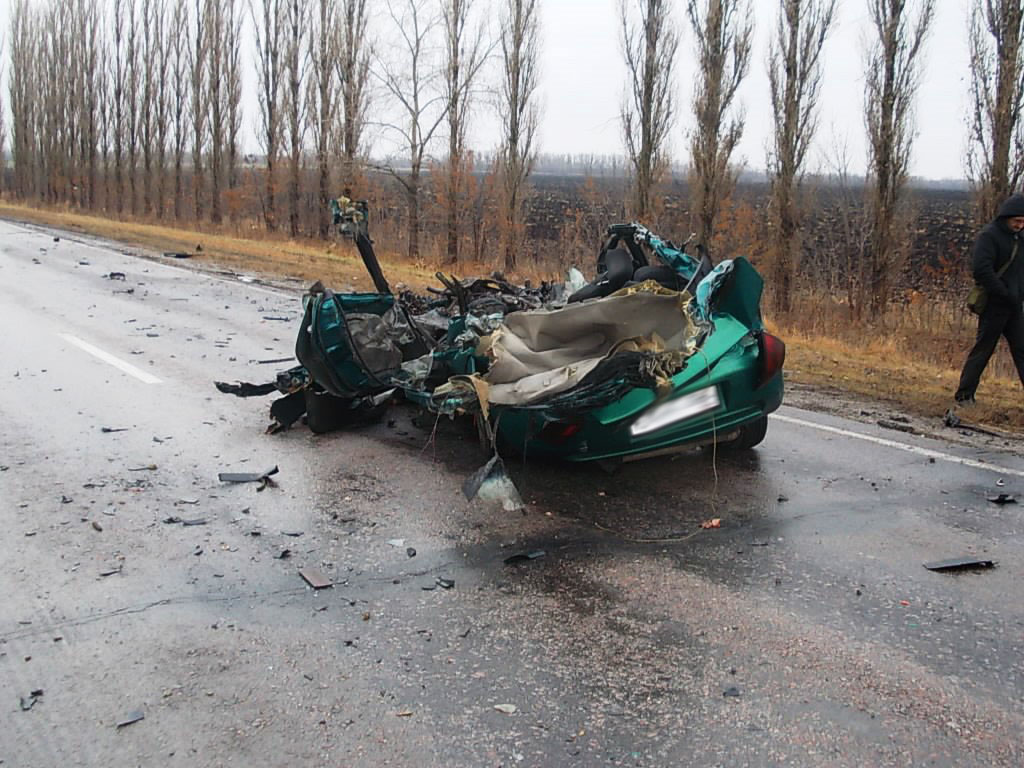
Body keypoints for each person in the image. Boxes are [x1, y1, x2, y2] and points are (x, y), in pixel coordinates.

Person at [954, 193, 1024, 405]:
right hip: (994, 305)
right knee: (983, 350)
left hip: (1015, 306)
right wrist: (1003, 292)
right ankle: (965, 396)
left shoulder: (1020, 238)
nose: (1020, 225)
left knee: (1022, 351)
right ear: (1006, 217)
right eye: (1017, 221)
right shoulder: (990, 236)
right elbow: (981, 270)